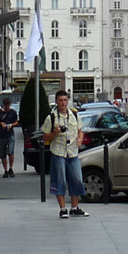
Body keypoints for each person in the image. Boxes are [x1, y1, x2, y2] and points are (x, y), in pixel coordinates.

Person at [40, 90, 86, 218]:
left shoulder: (74, 115)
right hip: (58, 152)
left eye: (65, 100)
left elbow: (80, 130)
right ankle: (63, 209)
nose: (63, 103)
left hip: (72, 152)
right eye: (60, 100)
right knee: (60, 180)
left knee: (77, 179)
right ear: (56, 102)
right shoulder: (52, 117)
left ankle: (75, 207)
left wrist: (80, 139)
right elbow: (44, 136)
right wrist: (55, 133)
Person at [0, 97, 19, 178]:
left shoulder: (13, 112)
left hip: (10, 134)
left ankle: (11, 168)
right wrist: (1, 123)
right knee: (2, 154)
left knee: (10, 151)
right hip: (2, 135)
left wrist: (11, 125)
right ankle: (5, 170)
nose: (7, 107)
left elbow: (16, 122)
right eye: (6, 106)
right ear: (3, 105)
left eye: (8, 106)